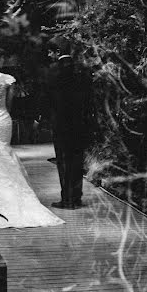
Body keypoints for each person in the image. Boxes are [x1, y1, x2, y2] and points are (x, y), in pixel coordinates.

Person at [0, 46, 64, 228]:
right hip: (1, 120)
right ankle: (7, 200)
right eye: (1, 57)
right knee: (2, 156)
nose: (4, 60)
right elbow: (8, 105)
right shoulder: (7, 79)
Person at [46, 37, 90, 210]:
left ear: (57, 52)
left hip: (61, 123)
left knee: (63, 160)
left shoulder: (53, 70)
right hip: (79, 122)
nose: (49, 55)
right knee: (77, 159)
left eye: (50, 52)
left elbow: (49, 99)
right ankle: (77, 197)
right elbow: (88, 97)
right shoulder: (81, 69)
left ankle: (67, 199)